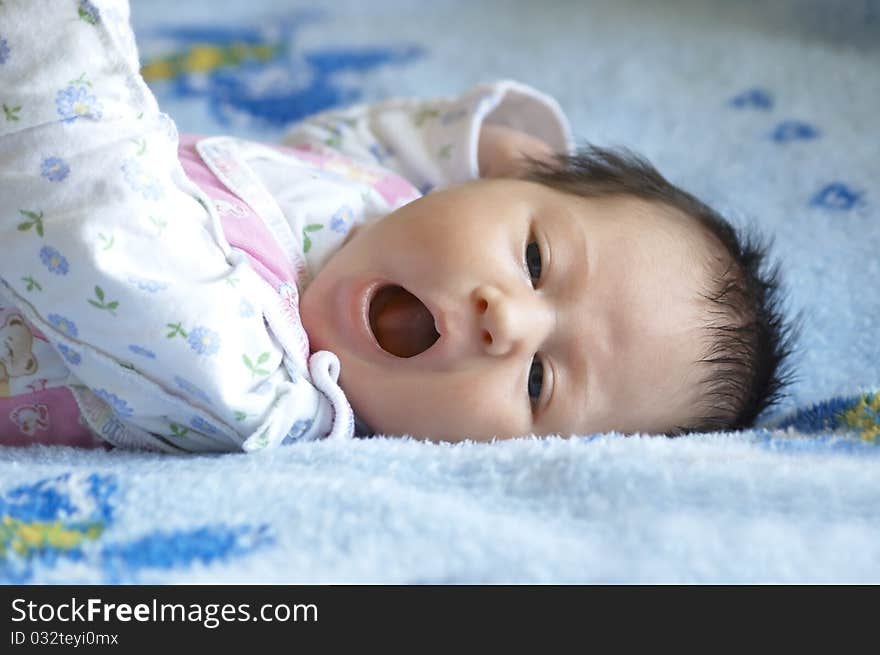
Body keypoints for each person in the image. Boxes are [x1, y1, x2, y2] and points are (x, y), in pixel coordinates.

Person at [0, 0, 794, 451]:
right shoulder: (373, 199)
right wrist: (466, 139)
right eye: (534, 255)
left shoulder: (253, 387)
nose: (506, 319)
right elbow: (362, 140)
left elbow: (89, 202)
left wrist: (55, 28)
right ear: (507, 183)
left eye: (539, 381)